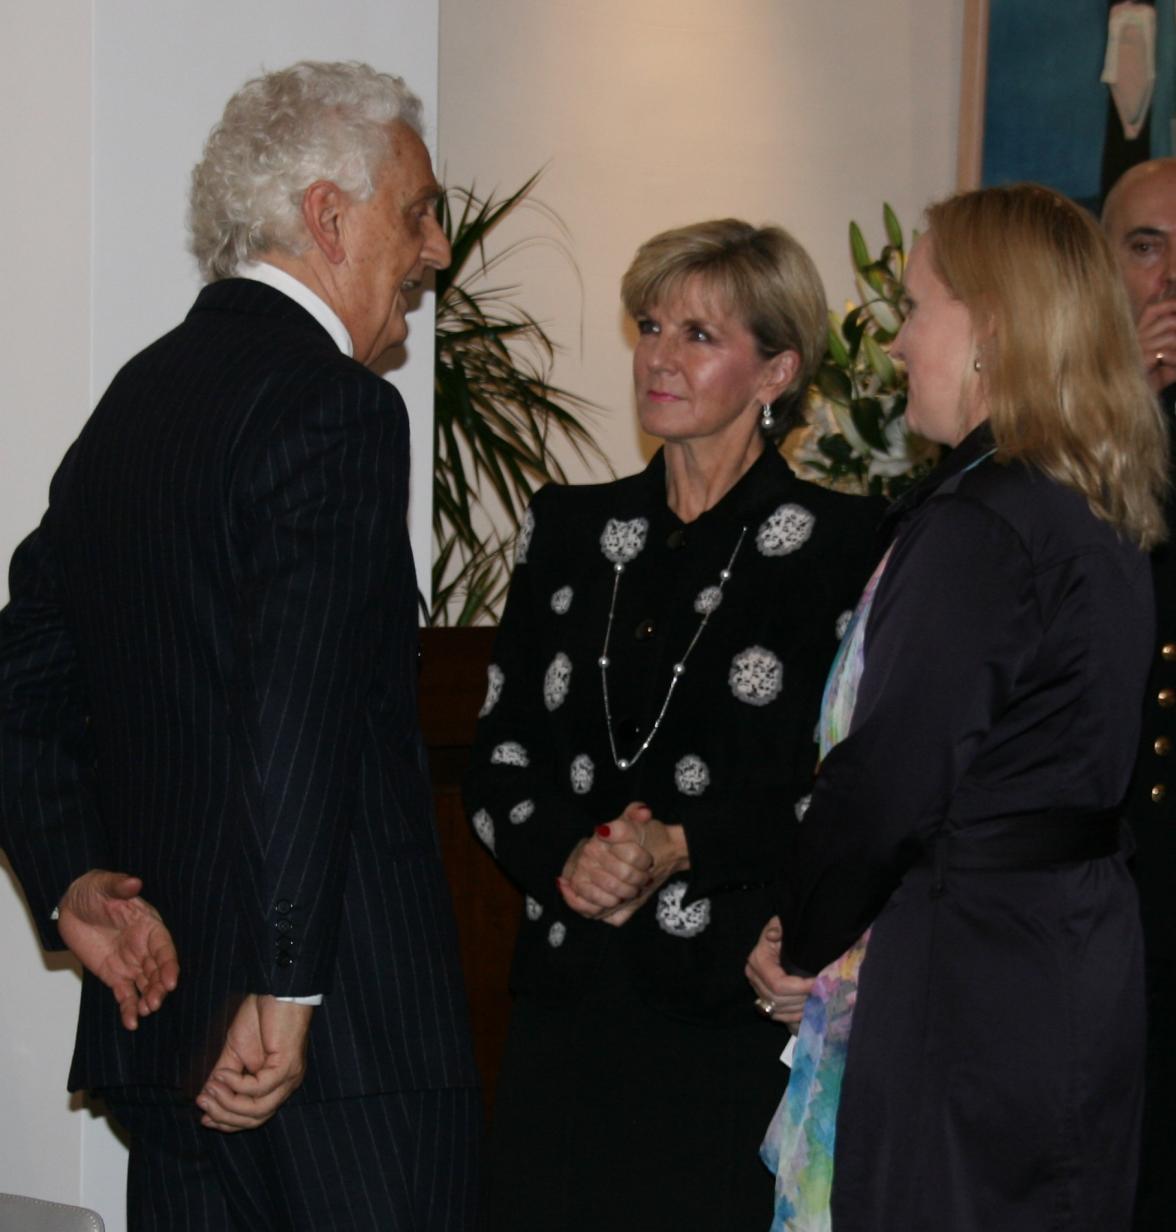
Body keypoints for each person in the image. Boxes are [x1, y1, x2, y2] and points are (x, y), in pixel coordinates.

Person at [0, 61, 479, 1230]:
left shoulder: (137, 401)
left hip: (165, 1029)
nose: (435, 250)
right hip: (326, 1044)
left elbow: (22, 673)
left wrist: (72, 876)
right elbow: (299, 713)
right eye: (415, 211)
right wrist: (285, 984)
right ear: (329, 214)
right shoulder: (340, 407)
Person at [747, 183, 1166, 1232]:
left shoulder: (986, 522)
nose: (894, 348)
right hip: (1062, 956)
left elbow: (889, 781)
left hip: (969, 973)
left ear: (992, 330)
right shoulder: (1090, 498)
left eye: (917, 309)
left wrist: (801, 934)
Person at [462, 218, 881, 1230]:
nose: (659, 353)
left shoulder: (848, 545)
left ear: (776, 368)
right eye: (652, 324)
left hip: (725, 1008)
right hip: (567, 1003)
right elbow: (498, 752)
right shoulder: (567, 526)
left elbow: (848, 788)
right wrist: (568, 855)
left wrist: (680, 842)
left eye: (700, 334)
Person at [1103, 156, 1176, 1232]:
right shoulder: (1053, 436)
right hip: (1101, 856)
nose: (1169, 280)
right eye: (1145, 245)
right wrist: (1132, 412)